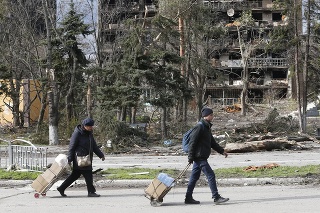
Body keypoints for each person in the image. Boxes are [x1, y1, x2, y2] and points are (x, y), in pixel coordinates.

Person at [185, 107, 229, 204]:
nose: (212, 116)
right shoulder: (200, 127)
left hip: (201, 156)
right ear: (206, 116)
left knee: (194, 177)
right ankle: (216, 197)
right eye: (211, 115)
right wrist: (190, 157)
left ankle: (188, 198)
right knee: (210, 175)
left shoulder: (207, 127)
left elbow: (212, 143)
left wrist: (222, 151)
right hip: (199, 157)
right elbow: (192, 142)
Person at [57, 118, 105, 197]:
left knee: (75, 175)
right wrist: (70, 158)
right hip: (80, 158)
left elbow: (94, 146)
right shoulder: (77, 133)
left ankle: (62, 188)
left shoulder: (89, 134)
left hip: (86, 158)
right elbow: (72, 146)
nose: (91, 128)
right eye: (89, 126)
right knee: (88, 174)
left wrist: (101, 155)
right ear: (84, 126)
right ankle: (91, 192)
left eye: (91, 126)